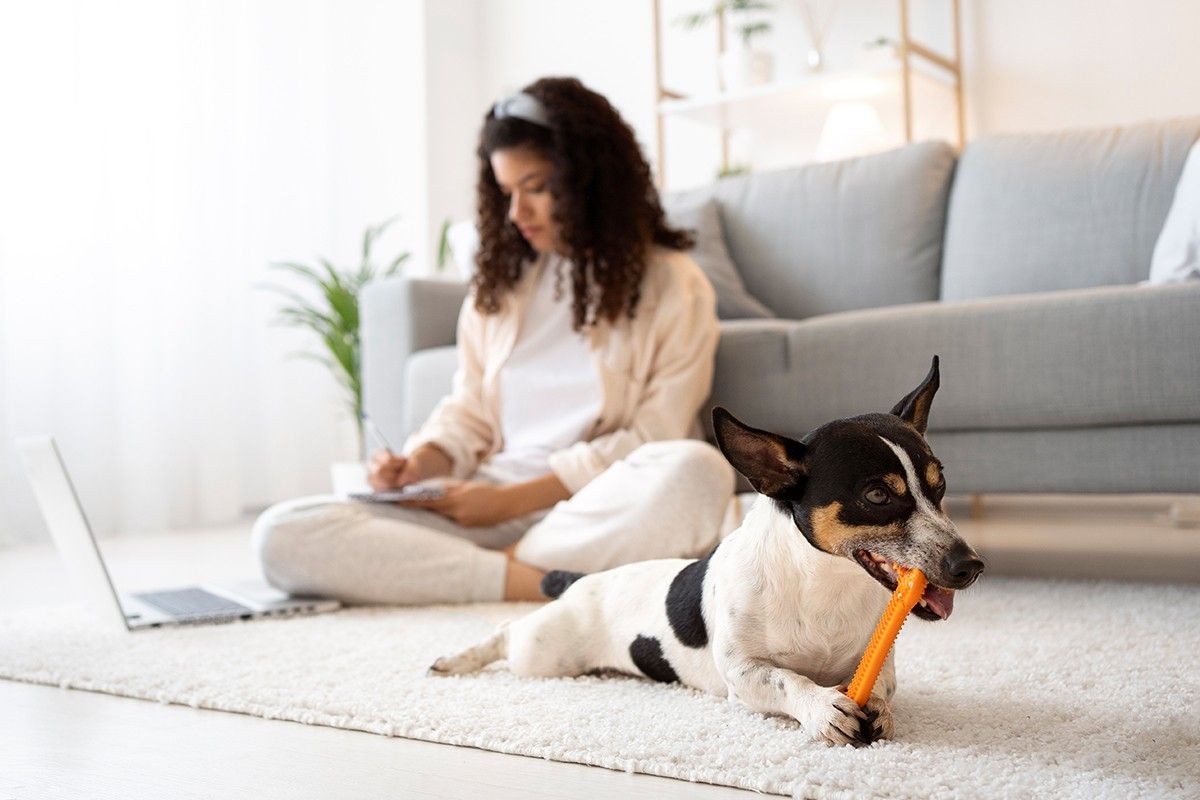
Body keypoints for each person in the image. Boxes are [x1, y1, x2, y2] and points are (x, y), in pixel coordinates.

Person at [251, 77, 734, 605]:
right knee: (282, 533)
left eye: (536, 188)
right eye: (506, 193)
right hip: (479, 506)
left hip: (587, 509)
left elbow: (653, 435)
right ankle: (538, 582)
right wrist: (422, 463)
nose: (516, 213)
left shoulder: (674, 284)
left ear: (588, 181)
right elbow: (471, 410)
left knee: (697, 468)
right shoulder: (502, 287)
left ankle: (484, 575)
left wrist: (507, 503)